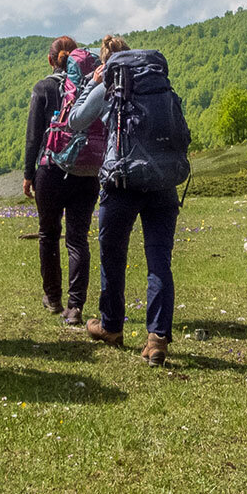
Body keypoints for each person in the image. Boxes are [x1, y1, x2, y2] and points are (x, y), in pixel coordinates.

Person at [67, 35, 184, 366]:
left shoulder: (110, 87)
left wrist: (92, 82)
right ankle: (157, 338)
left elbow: (76, 121)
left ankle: (111, 327)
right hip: (163, 181)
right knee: (159, 259)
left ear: (107, 62)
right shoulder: (159, 87)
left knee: (113, 256)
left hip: (121, 182)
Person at [23, 35, 102, 325]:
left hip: (50, 170)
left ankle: (53, 298)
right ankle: (75, 307)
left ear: (51, 60)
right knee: (78, 239)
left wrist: (28, 174)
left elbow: (34, 136)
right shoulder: (94, 87)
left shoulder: (43, 87)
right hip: (87, 172)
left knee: (48, 234)